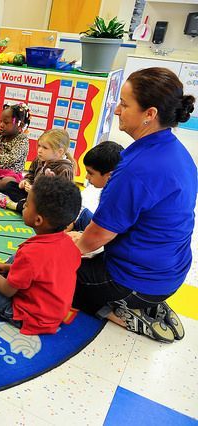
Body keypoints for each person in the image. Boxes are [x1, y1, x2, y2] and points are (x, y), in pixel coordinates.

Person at [71, 67, 196, 343]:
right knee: (84, 224)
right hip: (171, 272)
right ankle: (148, 301)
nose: (117, 111)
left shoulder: (136, 168)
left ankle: (125, 310)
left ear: (149, 114)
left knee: (52, 278)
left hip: (134, 279)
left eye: (125, 105)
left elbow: (98, 236)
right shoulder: (178, 152)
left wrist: (67, 251)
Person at [0, 176, 82, 335]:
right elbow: (47, 271)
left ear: (38, 220)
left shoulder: (31, 253)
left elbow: (8, 291)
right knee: (17, 257)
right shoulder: (70, 244)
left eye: (27, 204)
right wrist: (8, 267)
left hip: (28, 317)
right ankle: (5, 272)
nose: (23, 206)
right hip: (54, 312)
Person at [0, 128, 75, 212]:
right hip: (31, 194)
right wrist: (26, 181)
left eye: (45, 148)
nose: (39, 150)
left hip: (47, 201)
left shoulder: (65, 169)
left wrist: (36, 192)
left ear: (59, 152)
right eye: (39, 146)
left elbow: (60, 197)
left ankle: (15, 205)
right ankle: (24, 204)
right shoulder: (39, 159)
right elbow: (31, 174)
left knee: (46, 209)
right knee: (10, 185)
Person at [71, 140, 124, 232]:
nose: (87, 177)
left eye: (90, 173)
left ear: (109, 176)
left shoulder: (116, 199)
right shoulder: (112, 189)